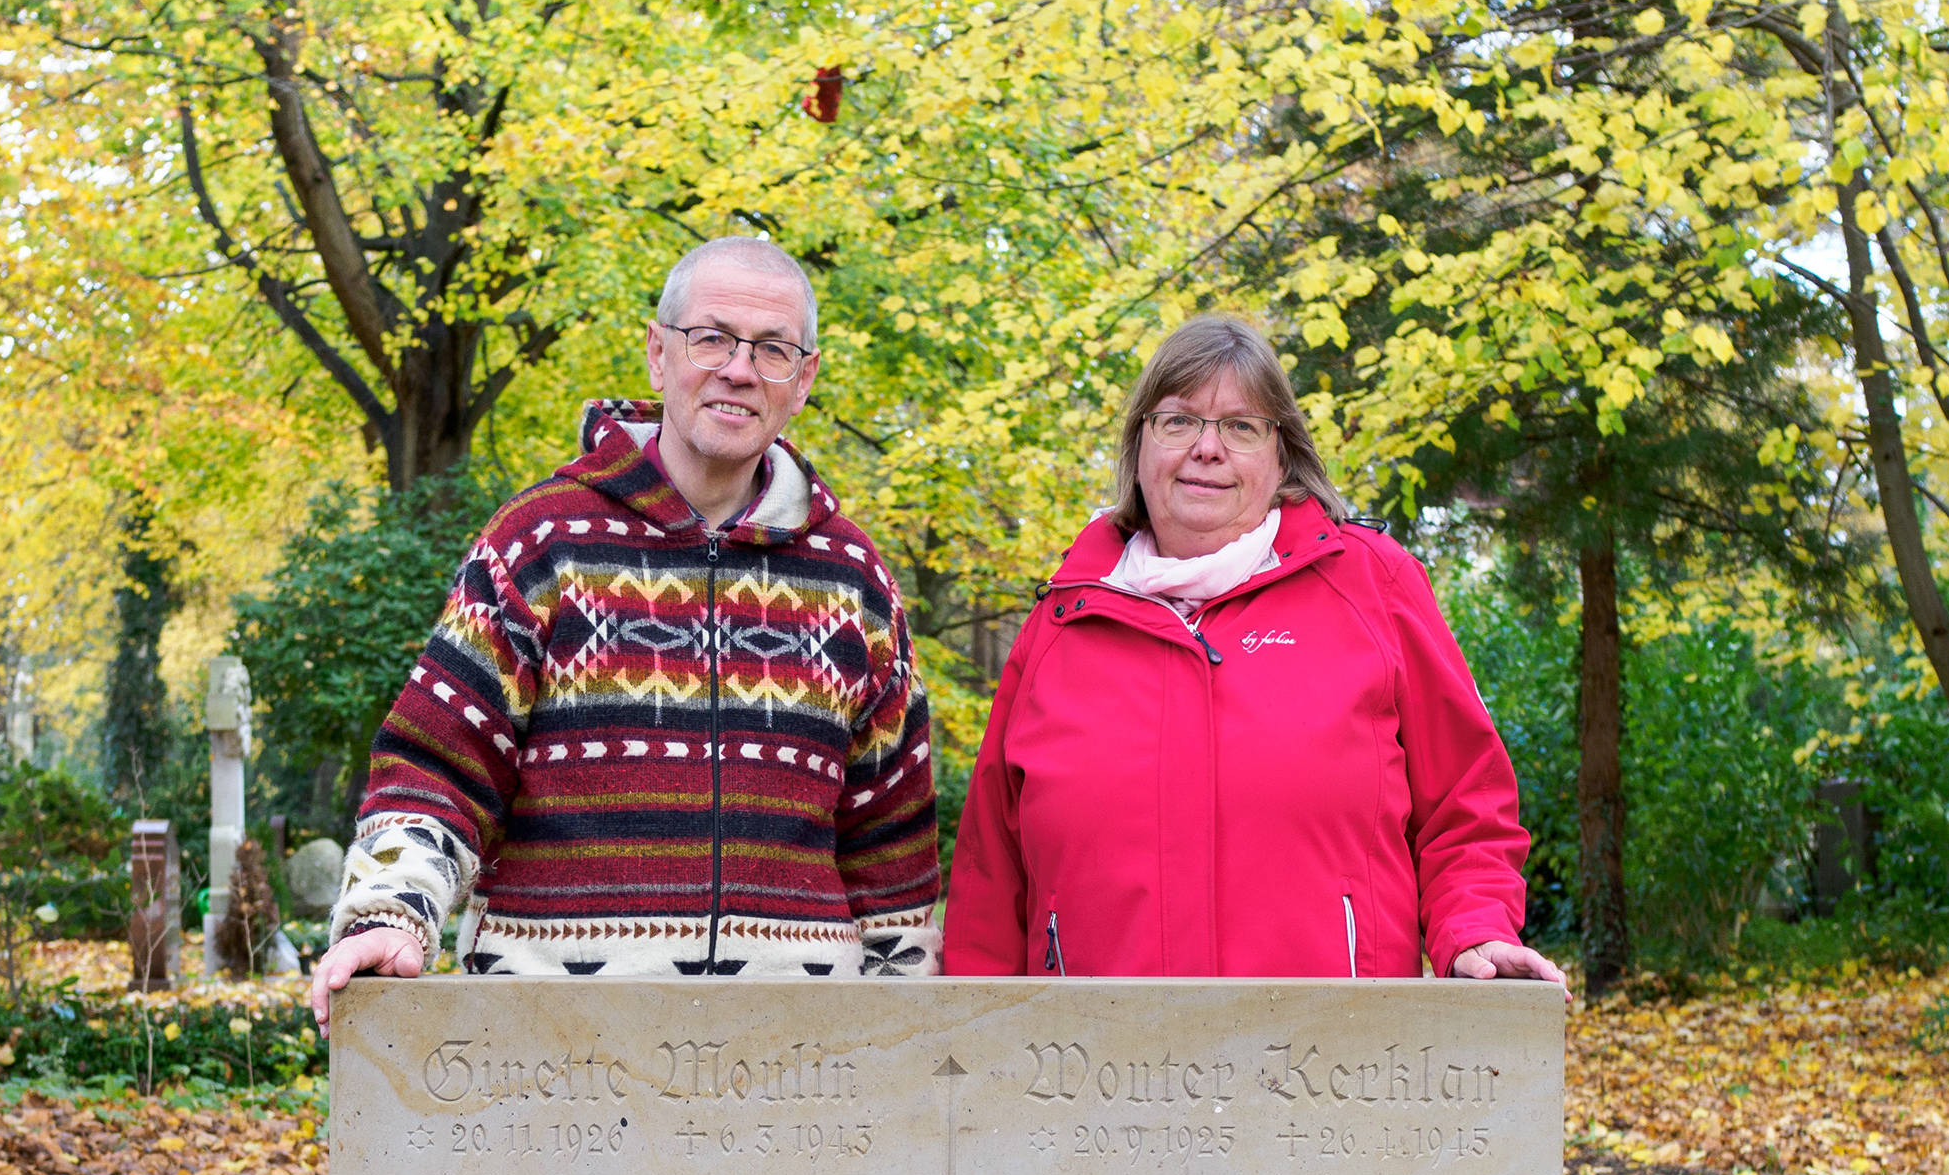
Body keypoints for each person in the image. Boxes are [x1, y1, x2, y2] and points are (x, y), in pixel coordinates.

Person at [311, 236, 940, 1032]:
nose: (739, 369)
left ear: (803, 379)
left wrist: (900, 1048)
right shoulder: (540, 546)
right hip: (549, 1048)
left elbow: (893, 853)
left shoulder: (855, 582)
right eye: (710, 337)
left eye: (773, 349)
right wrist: (388, 918)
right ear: (657, 353)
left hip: (794, 1066)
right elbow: (436, 767)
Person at [941, 312, 1566, 993]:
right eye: (1178, 421)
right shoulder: (1063, 620)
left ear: (1281, 453)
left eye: (1241, 427)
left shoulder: (1372, 585)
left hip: (1339, 1066)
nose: (1207, 449)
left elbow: (1465, 803)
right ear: (1140, 444)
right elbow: (989, 877)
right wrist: (979, 1051)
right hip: (1099, 1073)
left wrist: (1473, 928)